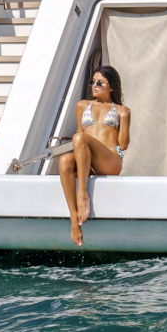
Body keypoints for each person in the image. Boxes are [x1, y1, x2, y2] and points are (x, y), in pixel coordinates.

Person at [57, 65, 129, 246]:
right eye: (92, 82)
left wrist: (125, 118)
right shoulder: (82, 105)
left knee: (80, 137)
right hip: (88, 159)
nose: (94, 86)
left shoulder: (121, 109)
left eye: (99, 83)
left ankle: (82, 194)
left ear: (111, 86)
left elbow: (124, 145)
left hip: (110, 160)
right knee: (65, 160)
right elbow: (80, 138)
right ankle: (74, 220)